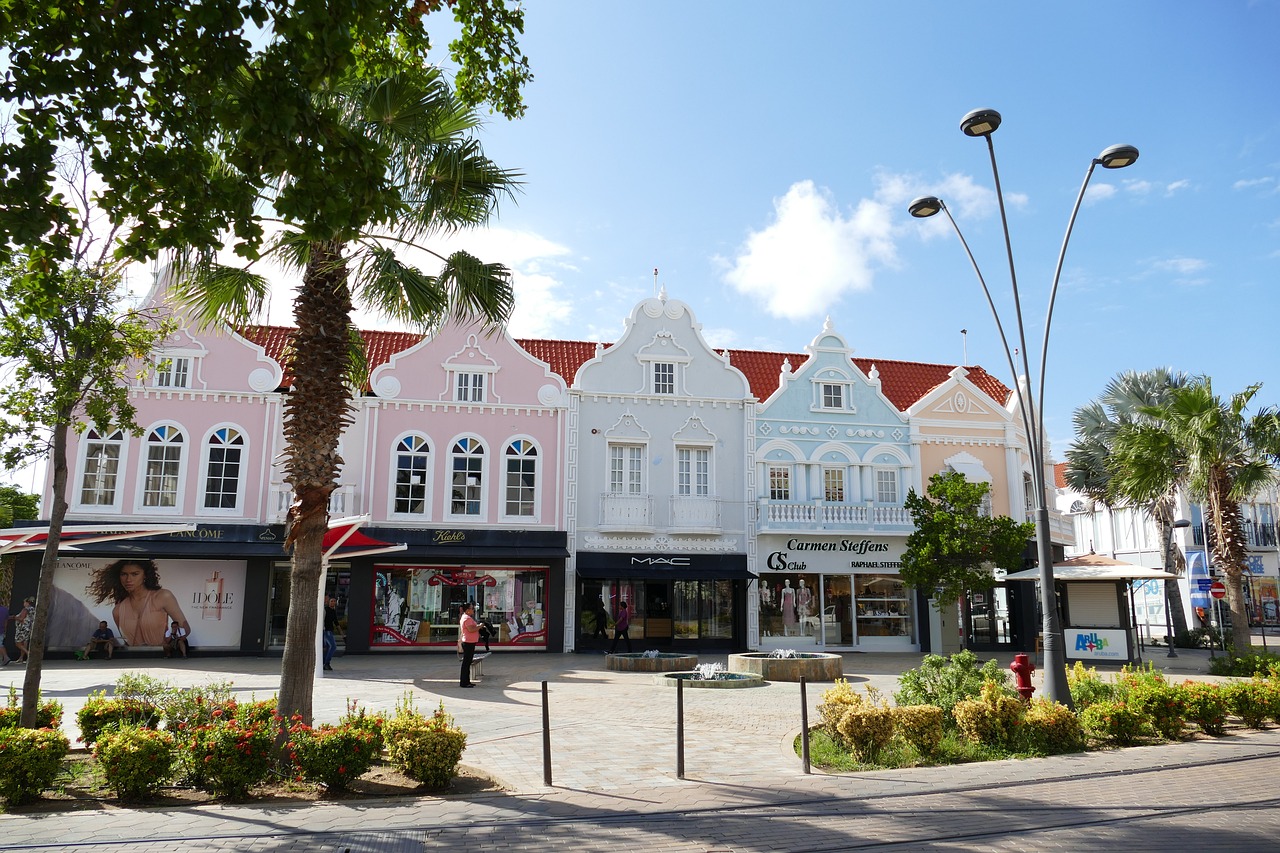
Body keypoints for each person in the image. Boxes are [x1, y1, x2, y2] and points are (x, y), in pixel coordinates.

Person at [87, 559, 190, 647]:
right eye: (124, 574)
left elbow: (185, 628)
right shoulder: (118, 610)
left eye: (135, 574)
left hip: (162, 656)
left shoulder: (162, 596)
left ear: (145, 575)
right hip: (135, 659)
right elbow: (126, 641)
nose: (128, 579)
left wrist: (171, 640)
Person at [458, 602, 480, 687]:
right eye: (472, 608)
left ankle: (467, 681)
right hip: (468, 642)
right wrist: (480, 626)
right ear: (467, 610)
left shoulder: (467, 617)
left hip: (470, 642)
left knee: (468, 662)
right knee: (466, 663)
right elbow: (471, 629)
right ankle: (464, 682)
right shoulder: (466, 618)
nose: (473, 610)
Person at [13, 597, 35, 664]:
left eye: (24, 602)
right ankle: (21, 658)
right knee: (24, 643)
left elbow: (21, 618)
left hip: (22, 628)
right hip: (28, 628)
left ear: (27, 603)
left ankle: (28, 654)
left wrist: (14, 617)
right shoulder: (32, 609)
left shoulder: (25, 609)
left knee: (18, 643)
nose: (24, 604)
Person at [322, 596, 338, 671]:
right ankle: (326, 662)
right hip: (326, 630)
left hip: (330, 630)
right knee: (333, 646)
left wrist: (341, 633)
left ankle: (324, 662)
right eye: (331, 601)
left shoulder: (333, 611)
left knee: (328, 647)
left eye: (334, 601)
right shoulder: (325, 610)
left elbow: (336, 622)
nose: (333, 602)